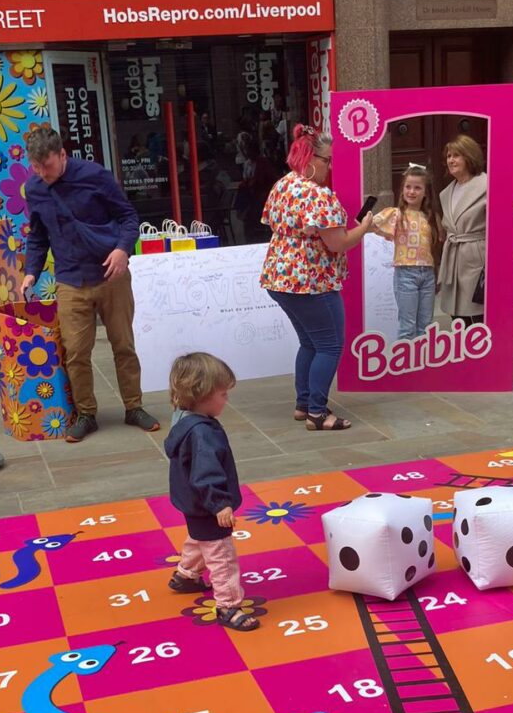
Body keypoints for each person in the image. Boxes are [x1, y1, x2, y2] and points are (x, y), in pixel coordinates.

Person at [20, 126, 158, 443]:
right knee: (75, 352)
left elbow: (128, 217)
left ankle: (134, 407)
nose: (43, 173)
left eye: (49, 166)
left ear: (63, 155)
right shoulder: (36, 188)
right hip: (70, 278)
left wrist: (123, 249)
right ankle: (86, 414)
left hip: (111, 275)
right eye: (36, 167)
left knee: (123, 345)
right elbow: (38, 235)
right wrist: (32, 270)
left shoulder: (95, 176)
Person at [261, 124, 374, 430]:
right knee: (329, 345)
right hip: (311, 281)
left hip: (279, 277)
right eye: (326, 160)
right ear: (310, 159)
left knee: (309, 342)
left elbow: (274, 221)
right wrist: (366, 227)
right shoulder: (319, 196)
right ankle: (317, 412)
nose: (330, 166)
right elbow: (339, 243)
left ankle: (303, 404)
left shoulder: (284, 185)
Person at [164, 353, 260, 633]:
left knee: (199, 537)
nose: (226, 400)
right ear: (201, 395)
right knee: (221, 555)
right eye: (223, 393)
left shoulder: (183, 419)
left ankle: (186, 575)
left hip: (191, 501)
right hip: (208, 503)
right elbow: (206, 472)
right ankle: (228, 606)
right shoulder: (202, 433)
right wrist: (220, 504)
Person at [372, 164, 440, 340]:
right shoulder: (396, 214)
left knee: (425, 326)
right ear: (402, 190)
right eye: (408, 187)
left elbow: (442, 237)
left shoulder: (430, 216)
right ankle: (404, 366)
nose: (412, 191)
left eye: (418, 187)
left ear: (425, 192)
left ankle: (422, 364)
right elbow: (371, 224)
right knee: (407, 326)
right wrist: (363, 218)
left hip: (428, 274)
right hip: (405, 274)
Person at [439, 135, 487, 324]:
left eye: (456, 155)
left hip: (476, 259)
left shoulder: (488, 184)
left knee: (477, 317)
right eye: (449, 156)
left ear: (470, 156)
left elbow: (502, 220)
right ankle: (462, 353)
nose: (451, 160)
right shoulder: (446, 192)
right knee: (458, 319)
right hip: (454, 258)